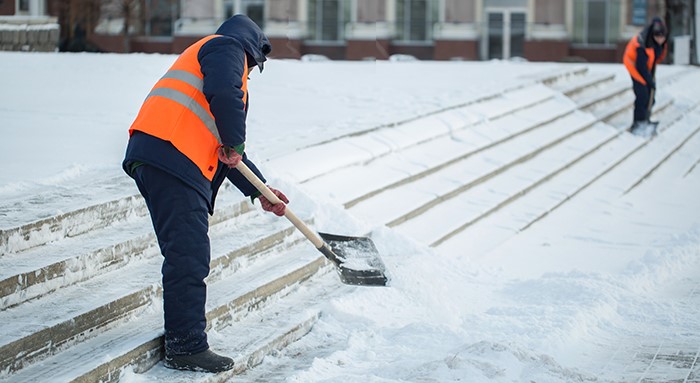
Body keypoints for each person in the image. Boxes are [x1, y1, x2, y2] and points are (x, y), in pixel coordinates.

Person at [122, 15, 289, 373]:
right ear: (252, 50)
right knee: (189, 253)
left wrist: (261, 191)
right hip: (172, 155)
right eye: (254, 66)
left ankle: (185, 340)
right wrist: (234, 140)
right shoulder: (225, 48)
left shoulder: (208, 64)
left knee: (186, 251)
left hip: (161, 155)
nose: (249, 73)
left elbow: (227, 153)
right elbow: (227, 102)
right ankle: (186, 345)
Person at [623, 16, 668, 136]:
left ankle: (645, 119)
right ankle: (638, 122)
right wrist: (648, 81)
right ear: (653, 35)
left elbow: (653, 61)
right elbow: (641, 67)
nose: (660, 40)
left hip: (645, 67)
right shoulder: (643, 43)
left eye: (662, 38)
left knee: (650, 96)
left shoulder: (659, 44)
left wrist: (651, 80)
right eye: (658, 37)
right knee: (642, 94)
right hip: (634, 65)